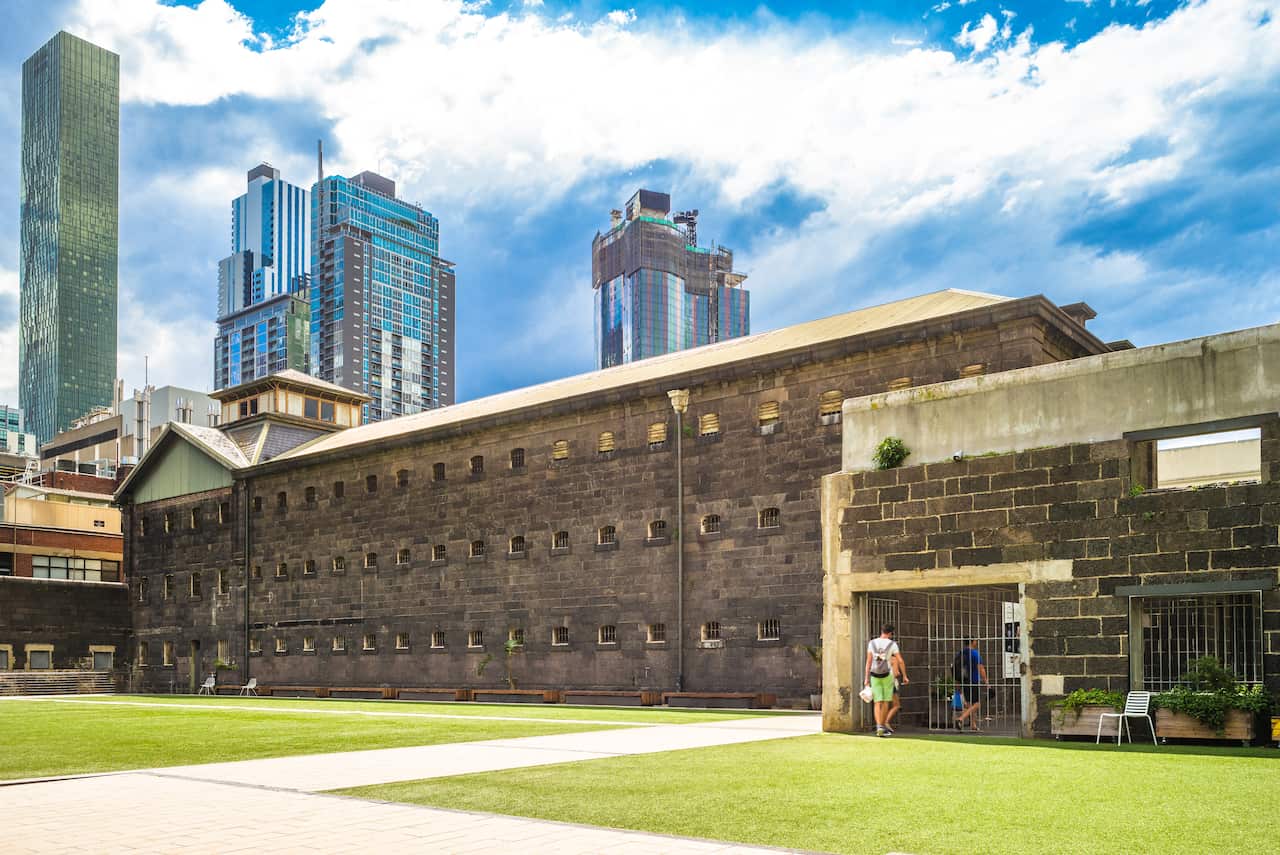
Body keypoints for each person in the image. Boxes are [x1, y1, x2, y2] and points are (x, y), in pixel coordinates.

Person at [864, 623, 909, 736]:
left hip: (874, 674)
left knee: (877, 702)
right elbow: (900, 660)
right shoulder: (892, 644)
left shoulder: (872, 643)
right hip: (887, 675)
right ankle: (882, 726)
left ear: (882, 631)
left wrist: (866, 678)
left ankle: (878, 726)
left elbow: (868, 662)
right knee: (885, 702)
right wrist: (904, 675)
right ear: (890, 633)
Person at [953, 638, 988, 731]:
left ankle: (973, 725)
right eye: (975, 640)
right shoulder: (975, 653)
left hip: (964, 680)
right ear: (972, 642)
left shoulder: (960, 653)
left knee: (969, 704)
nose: (976, 642)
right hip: (974, 681)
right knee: (976, 704)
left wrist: (957, 682)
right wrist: (986, 681)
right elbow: (981, 668)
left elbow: (956, 668)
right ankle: (960, 719)